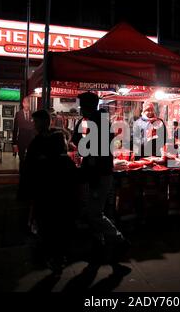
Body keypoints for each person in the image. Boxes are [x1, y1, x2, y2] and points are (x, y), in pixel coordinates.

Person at [70, 92, 131, 276]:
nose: (80, 108)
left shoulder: (99, 122)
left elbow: (83, 145)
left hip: (100, 174)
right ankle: (100, 243)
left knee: (94, 212)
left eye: (82, 105)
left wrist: (80, 128)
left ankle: (118, 239)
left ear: (89, 106)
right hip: (98, 173)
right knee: (94, 210)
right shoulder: (96, 121)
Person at [22, 109, 79, 276]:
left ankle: (55, 257)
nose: (34, 124)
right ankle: (56, 257)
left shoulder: (47, 140)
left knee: (50, 225)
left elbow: (37, 164)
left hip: (50, 190)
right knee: (52, 225)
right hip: (50, 190)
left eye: (36, 121)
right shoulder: (52, 139)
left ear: (44, 122)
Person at [13, 97, 35, 167]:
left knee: (30, 160)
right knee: (21, 160)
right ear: (23, 104)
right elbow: (15, 129)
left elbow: (35, 129)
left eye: (28, 103)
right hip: (21, 141)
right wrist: (14, 143)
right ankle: (22, 175)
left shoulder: (33, 114)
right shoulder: (18, 114)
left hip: (31, 141)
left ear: (29, 104)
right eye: (25, 103)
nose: (26, 105)